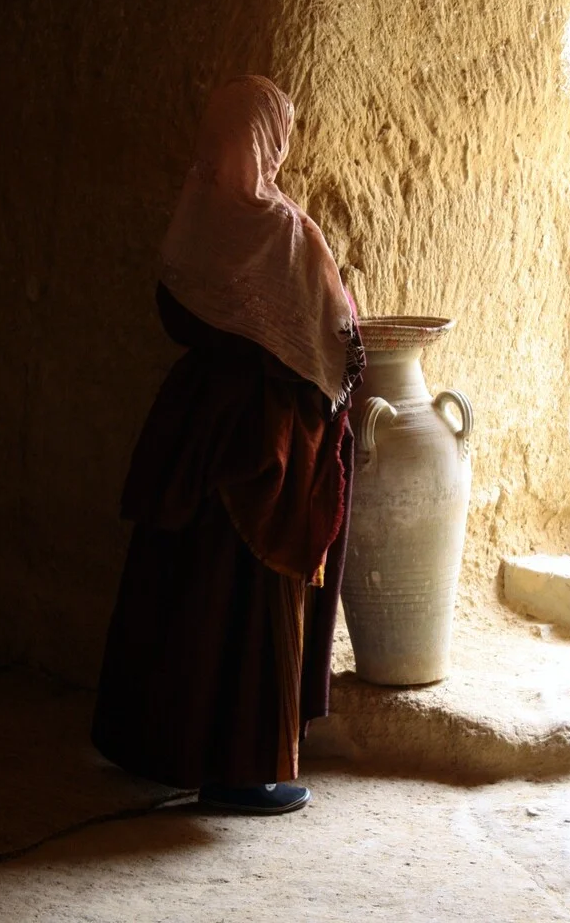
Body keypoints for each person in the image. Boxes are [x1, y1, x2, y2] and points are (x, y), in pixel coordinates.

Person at [91, 75, 364, 815]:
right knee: (248, 601)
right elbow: (327, 341)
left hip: (193, 427)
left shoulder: (195, 216)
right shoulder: (280, 228)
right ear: (269, 138)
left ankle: (159, 747)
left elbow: (179, 313)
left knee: (181, 588)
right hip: (262, 437)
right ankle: (243, 772)